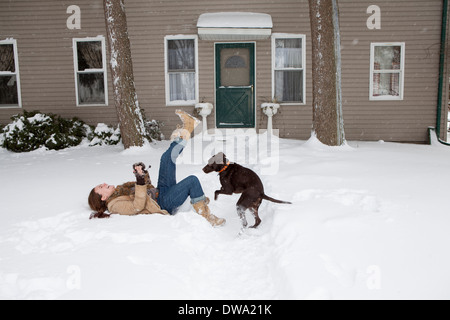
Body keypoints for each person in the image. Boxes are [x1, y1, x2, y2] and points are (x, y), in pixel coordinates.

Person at [88, 110, 226, 227]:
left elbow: (146, 189)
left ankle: (188, 128)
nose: (104, 184)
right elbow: (138, 206)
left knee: (166, 159)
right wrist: (139, 180)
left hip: (161, 191)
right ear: (103, 198)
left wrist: (142, 174)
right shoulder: (114, 205)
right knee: (192, 181)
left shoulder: (119, 190)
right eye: (101, 187)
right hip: (162, 203)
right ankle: (206, 215)